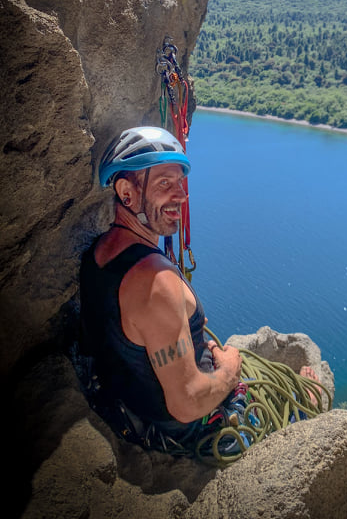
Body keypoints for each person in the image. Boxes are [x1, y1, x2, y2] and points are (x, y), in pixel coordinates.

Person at [79, 125, 321, 460]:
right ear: (126, 192)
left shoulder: (99, 254)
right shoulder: (154, 282)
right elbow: (188, 402)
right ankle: (304, 408)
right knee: (299, 409)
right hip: (187, 427)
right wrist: (229, 372)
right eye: (165, 183)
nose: (180, 195)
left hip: (129, 407)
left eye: (181, 183)